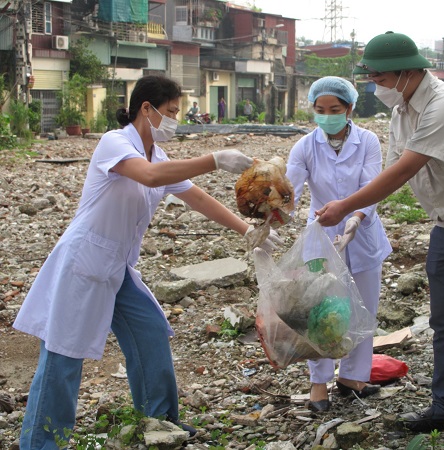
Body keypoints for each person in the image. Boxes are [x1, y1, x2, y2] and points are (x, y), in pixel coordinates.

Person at [13, 75, 281, 450]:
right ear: (146, 108)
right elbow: (150, 176)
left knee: (151, 332)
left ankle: (160, 421)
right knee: (63, 355)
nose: (174, 120)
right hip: (84, 262)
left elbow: (196, 197)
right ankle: (40, 444)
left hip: (117, 267)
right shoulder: (115, 143)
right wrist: (214, 159)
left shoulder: (159, 154)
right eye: (170, 112)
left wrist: (247, 231)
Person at [317, 31, 444, 433]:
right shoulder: (402, 113)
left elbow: (404, 169)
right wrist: (356, 213)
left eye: (380, 78)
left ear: (408, 72)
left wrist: (346, 206)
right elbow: (390, 169)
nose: (376, 86)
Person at [286, 76, 392, 412]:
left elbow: (372, 187)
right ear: (313, 110)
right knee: (319, 310)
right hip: (320, 239)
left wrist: (355, 218)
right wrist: (274, 216)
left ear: (350, 109)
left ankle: (352, 378)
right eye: (320, 110)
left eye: (335, 109)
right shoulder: (304, 146)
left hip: (361, 234)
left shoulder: (368, 141)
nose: (327, 115)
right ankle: (319, 384)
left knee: (362, 308)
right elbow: (292, 192)